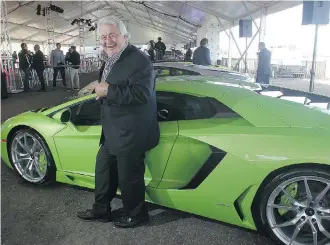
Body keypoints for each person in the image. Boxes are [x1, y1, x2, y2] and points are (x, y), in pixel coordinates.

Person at [77, 16, 160, 228]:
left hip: (131, 132)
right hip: (114, 130)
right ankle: (101, 210)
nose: (108, 40)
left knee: (129, 177)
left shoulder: (139, 60)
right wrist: (99, 87)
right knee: (103, 170)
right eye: (103, 37)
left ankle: (137, 214)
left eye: (112, 35)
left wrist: (108, 90)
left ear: (125, 36)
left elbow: (142, 94)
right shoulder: (112, 57)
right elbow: (115, 81)